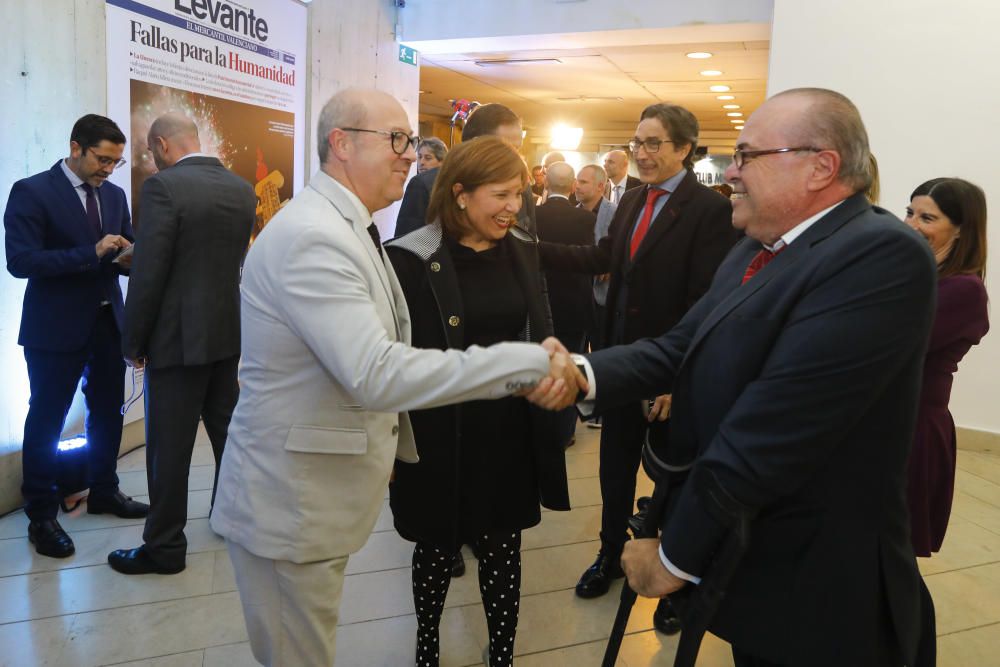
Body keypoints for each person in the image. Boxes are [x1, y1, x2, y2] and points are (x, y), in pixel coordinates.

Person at [536, 87, 939, 667]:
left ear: (820, 166)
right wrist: (581, 371)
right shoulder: (756, 246)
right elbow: (680, 345)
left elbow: (771, 430)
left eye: (749, 156)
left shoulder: (880, 254)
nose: (733, 171)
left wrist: (674, 556)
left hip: (820, 583)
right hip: (754, 559)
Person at [208, 88, 583, 667]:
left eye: (411, 141)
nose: (411, 155)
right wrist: (524, 361)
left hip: (318, 499)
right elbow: (376, 370)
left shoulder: (352, 229)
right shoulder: (316, 237)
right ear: (341, 144)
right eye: (397, 140)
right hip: (293, 505)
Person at [537, 103, 737, 635]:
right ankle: (608, 556)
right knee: (614, 470)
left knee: (674, 482)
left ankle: (676, 581)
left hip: (674, 377)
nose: (642, 154)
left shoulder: (708, 211)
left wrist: (674, 379)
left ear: (684, 149)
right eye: (637, 143)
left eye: (654, 144)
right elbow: (604, 257)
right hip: (622, 364)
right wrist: (535, 250)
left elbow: (705, 301)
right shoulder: (630, 199)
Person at [386, 136, 570, 667]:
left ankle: (503, 655)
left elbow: (541, 326)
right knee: (437, 548)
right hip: (436, 432)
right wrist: (391, 442)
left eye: (520, 194)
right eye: (502, 195)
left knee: (502, 547)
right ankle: (427, 649)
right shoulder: (411, 257)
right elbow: (392, 358)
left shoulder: (524, 248)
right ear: (461, 194)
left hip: (506, 430)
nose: (514, 206)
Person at [108, 113, 256, 575]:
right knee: (228, 435)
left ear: (162, 145)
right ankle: (233, 517)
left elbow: (151, 275)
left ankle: (165, 547)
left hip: (175, 340)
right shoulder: (240, 189)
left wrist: (132, 340)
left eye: (152, 153)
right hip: (225, 333)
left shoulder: (163, 188)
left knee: (167, 450)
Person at [4, 114, 148, 559]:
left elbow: (120, 250)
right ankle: (42, 514)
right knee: (47, 418)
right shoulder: (31, 192)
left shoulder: (116, 195)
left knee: (107, 410)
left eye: (116, 162)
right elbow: (22, 262)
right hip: (55, 327)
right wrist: (91, 254)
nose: (108, 169)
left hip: (107, 324)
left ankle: (104, 489)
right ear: (76, 147)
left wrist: (129, 257)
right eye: (103, 159)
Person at [903, 177, 989, 558]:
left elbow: (893, 344)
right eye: (910, 212)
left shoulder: (963, 290)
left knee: (893, 556)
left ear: (960, 230)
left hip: (912, 432)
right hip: (888, 426)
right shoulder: (920, 274)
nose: (912, 225)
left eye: (927, 217)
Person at [394, 103, 535, 239]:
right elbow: (408, 253)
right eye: (504, 148)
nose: (513, 156)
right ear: (474, 144)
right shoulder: (426, 185)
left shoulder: (521, 187)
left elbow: (528, 243)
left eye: (517, 149)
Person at [535, 161, 595, 446]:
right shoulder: (584, 219)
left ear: (546, 183)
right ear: (572, 186)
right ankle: (565, 430)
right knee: (571, 361)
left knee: (542, 361)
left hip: (541, 299)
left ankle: (542, 423)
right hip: (574, 301)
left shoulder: (533, 215)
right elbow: (588, 261)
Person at [574, 164, 616, 351]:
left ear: (600, 186)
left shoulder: (617, 213)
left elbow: (627, 250)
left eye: (583, 182)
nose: (577, 186)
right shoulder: (571, 214)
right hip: (575, 298)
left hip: (603, 298)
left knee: (602, 353)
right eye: (576, 181)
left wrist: (611, 265)